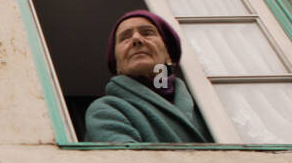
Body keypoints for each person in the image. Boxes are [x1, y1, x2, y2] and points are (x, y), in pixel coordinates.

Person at [83, 10, 212, 143]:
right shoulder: (106, 110)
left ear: (168, 54)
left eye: (148, 33)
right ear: (117, 65)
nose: (136, 39)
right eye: (125, 38)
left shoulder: (206, 106)